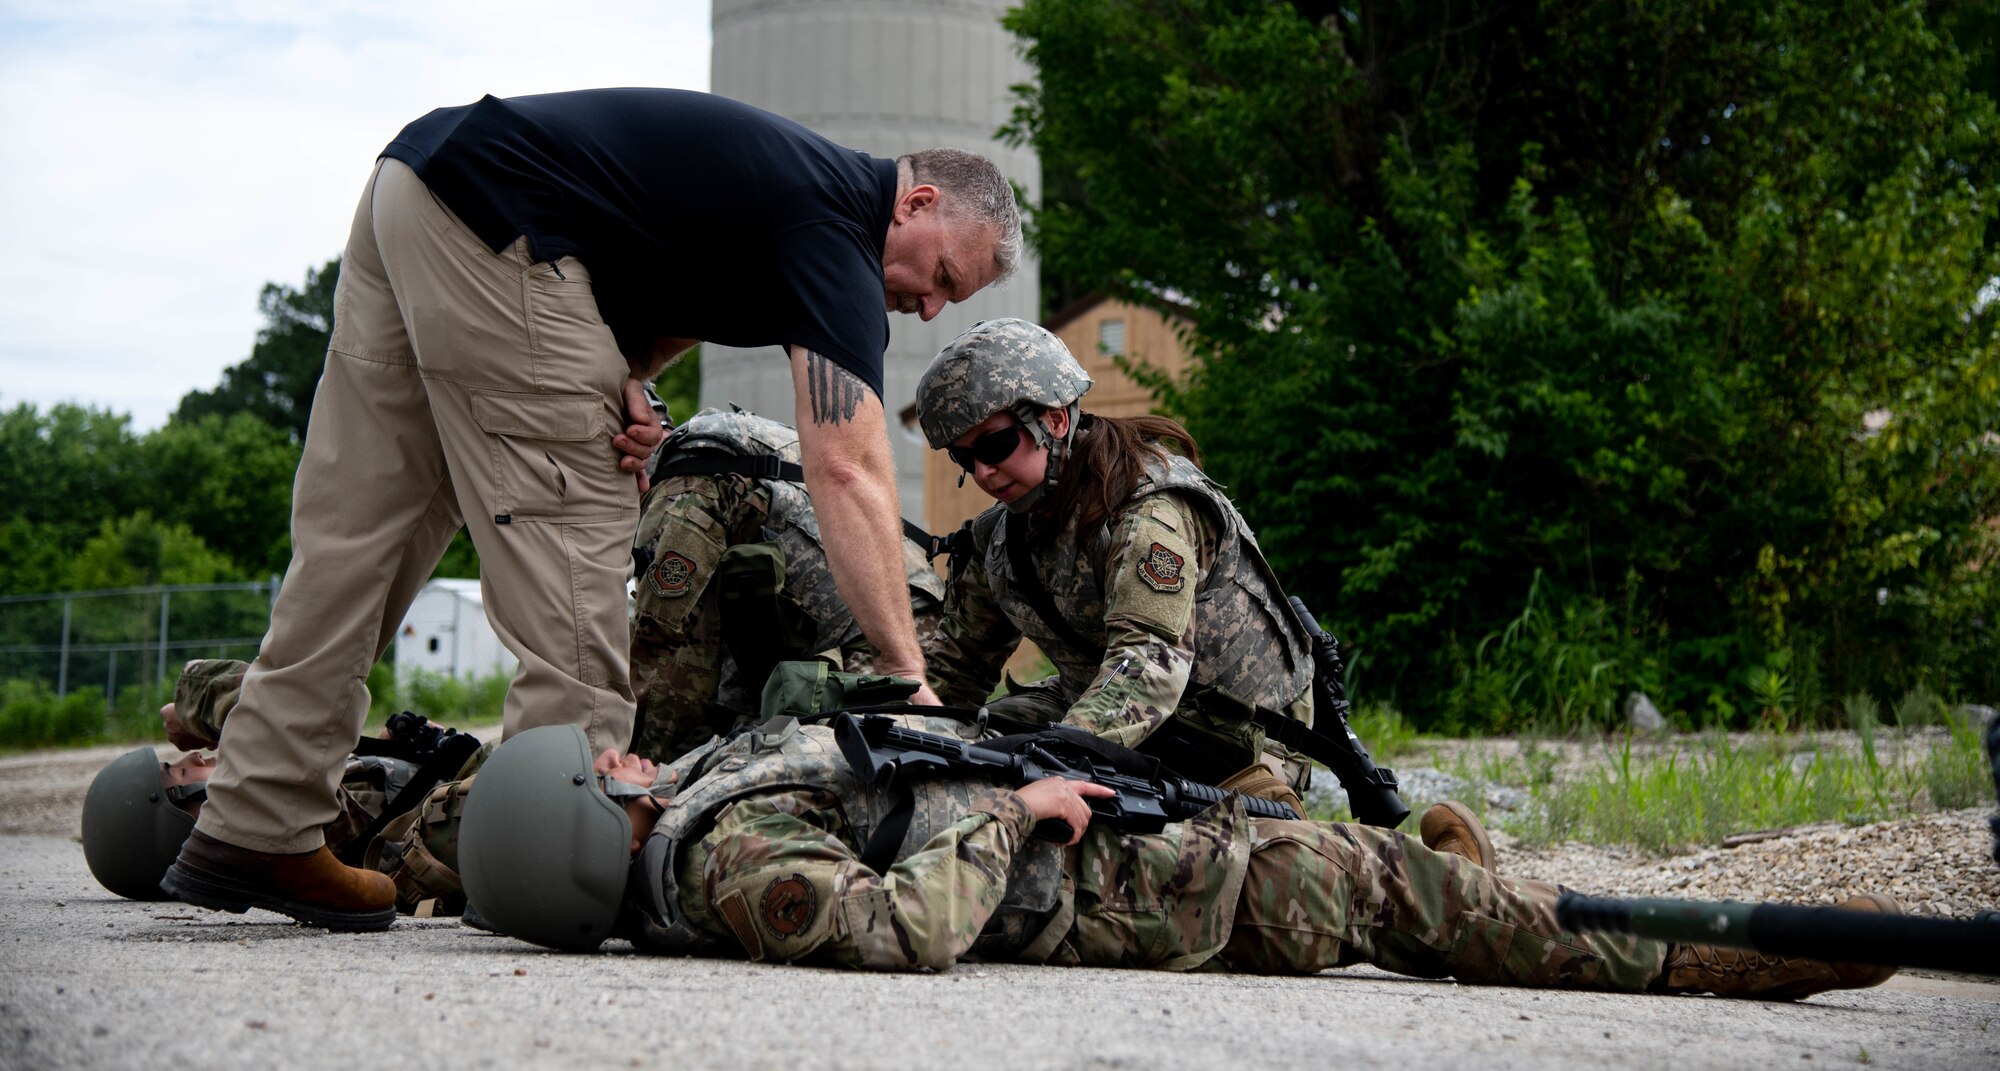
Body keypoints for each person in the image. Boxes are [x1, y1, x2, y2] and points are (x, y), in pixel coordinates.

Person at [167, 88, 1022, 930]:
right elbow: (848, 468)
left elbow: (659, 277)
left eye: (955, 298)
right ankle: (545, 861)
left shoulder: (785, 196)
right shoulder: (839, 233)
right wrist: (909, 679)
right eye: (942, 274)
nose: (930, 306)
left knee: (362, 537)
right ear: (915, 203)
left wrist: (634, 379)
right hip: (502, 225)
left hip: (419, 185)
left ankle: (258, 821)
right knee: (576, 531)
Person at [456, 719, 1900, 1002]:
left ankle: (1494, 889)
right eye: (611, 770)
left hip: (1114, 840)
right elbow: (897, 926)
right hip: (1113, 885)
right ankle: (1696, 953)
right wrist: (1019, 814)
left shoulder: (711, 804)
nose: (632, 757)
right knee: (1387, 893)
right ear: (599, 814)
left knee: (1345, 857)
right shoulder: (738, 867)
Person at [914, 319, 1320, 813]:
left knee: (1178, 852)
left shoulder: (1149, 510)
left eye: (996, 445)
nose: (981, 471)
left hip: (1239, 738)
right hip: (1110, 709)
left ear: (1055, 420)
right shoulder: (998, 538)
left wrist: (1058, 760)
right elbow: (957, 669)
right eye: (964, 455)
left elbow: (1148, 664)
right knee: (978, 748)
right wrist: (909, 731)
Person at [630, 407, 945, 761]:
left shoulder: (685, 477)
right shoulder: (739, 439)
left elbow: (664, 656)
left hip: (878, 656)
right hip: (926, 633)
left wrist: (646, 770)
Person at [84, 660, 487, 918]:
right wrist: (196, 704)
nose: (193, 760)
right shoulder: (285, 821)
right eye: (176, 776)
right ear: (178, 828)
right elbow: (287, 705)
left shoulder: (308, 808)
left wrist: (399, 751)